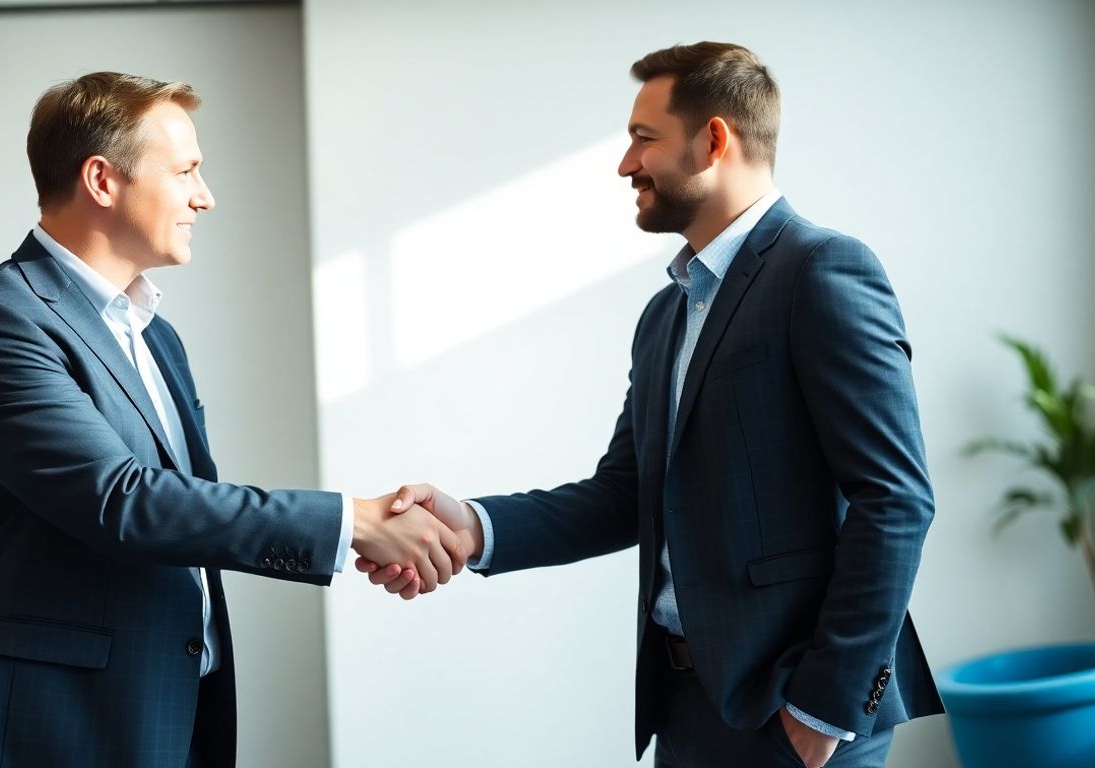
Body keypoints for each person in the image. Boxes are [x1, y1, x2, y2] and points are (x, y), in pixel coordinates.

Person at [359, 42, 944, 767]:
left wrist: (824, 707)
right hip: (684, 708)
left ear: (714, 140)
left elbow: (896, 499)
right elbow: (623, 496)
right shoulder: (665, 315)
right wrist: (470, 526)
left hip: (793, 711)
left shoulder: (822, 270)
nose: (625, 164)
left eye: (644, 138)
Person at [0, 72, 467, 768]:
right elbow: (121, 500)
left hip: (169, 708)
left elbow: (188, 513)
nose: (204, 197)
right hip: (46, 726)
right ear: (102, 180)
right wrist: (352, 522)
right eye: (185, 172)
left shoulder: (156, 337)